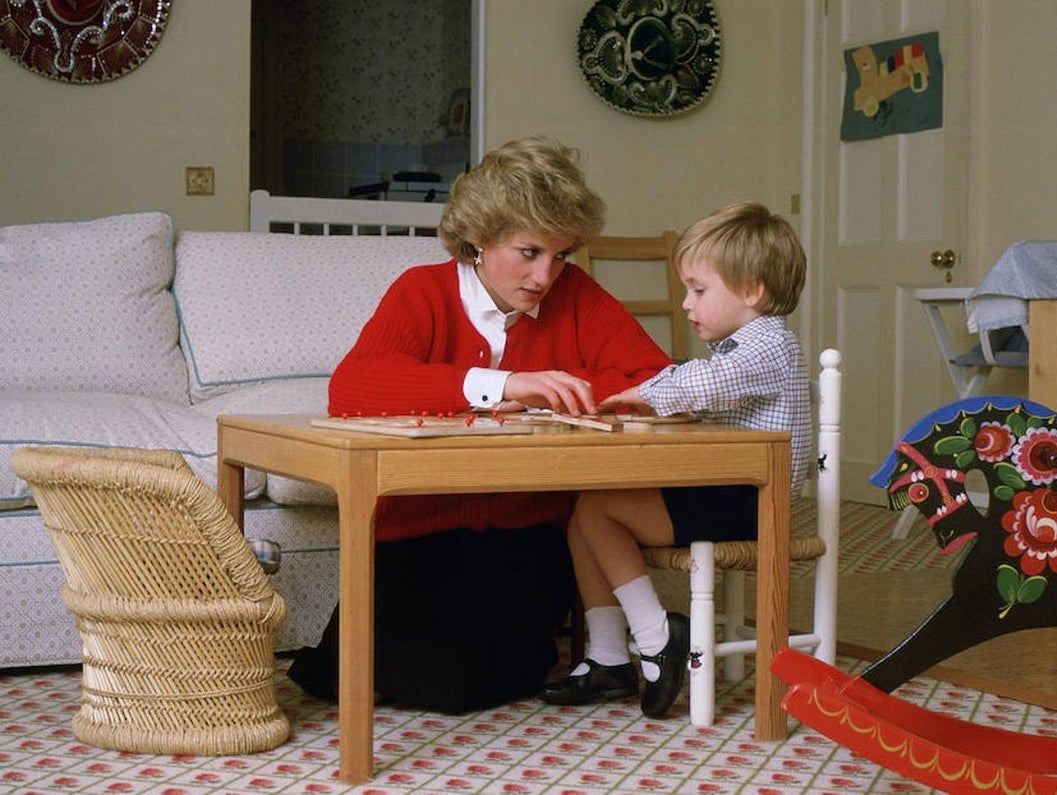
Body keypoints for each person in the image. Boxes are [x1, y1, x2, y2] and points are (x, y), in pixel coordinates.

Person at [287, 136, 672, 713]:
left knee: (465, 685)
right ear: (478, 238)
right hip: (416, 528)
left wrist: (571, 384)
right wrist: (501, 384)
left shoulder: (577, 296)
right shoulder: (422, 291)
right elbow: (353, 387)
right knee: (367, 672)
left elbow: (657, 378)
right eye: (529, 252)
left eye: (560, 255)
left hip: (525, 534)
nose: (546, 275)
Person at [540, 201, 812, 719]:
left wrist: (637, 395)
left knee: (600, 510)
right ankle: (608, 658)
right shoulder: (739, 349)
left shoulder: (767, 345)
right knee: (584, 514)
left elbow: (697, 384)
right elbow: (691, 381)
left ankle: (657, 635)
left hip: (751, 499)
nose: (688, 304)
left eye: (699, 290)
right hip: (729, 491)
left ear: (752, 291)